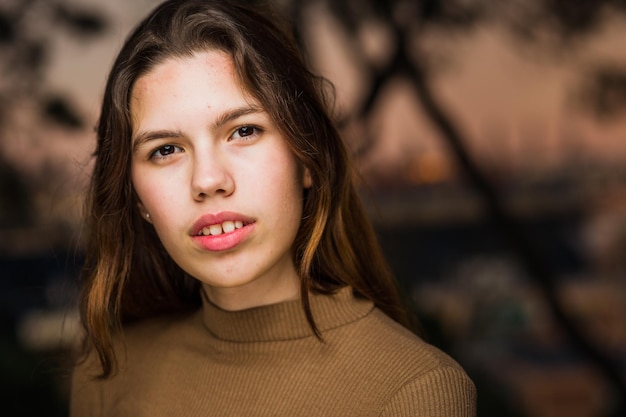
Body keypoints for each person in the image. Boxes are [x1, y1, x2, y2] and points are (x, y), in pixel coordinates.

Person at [70, 0, 476, 415]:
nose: (208, 180)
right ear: (137, 198)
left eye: (244, 131)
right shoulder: (108, 373)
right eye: (166, 149)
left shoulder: (415, 390)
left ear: (306, 158)